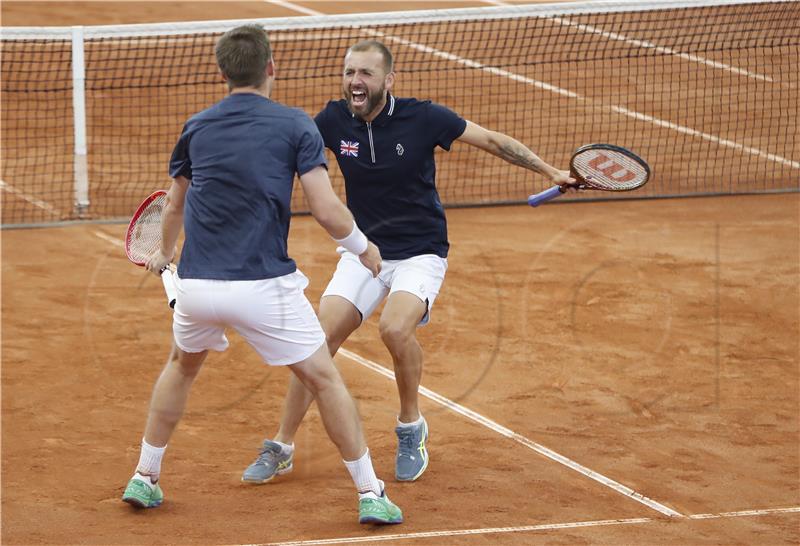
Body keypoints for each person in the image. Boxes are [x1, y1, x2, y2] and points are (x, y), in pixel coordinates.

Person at [241, 39, 576, 485]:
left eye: (365, 74)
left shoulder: (424, 117)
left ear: (388, 81)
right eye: (349, 72)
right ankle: (281, 445)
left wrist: (549, 171)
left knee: (395, 329)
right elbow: (284, 156)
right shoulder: (333, 121)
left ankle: (410, 426)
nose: (354, 81)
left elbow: (493, 141)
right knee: (315, 342)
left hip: (420, 252)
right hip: (365, 251)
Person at [121, 26, 403, 525]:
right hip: (263, 287)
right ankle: (370, 492)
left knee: (181, 367)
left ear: (223, 72)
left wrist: (166, 256)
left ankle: (144, 477)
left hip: (199, 288)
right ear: (270, 68)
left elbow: (173, 208)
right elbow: (325, 208)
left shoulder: (198, 126)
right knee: (324, 379)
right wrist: (364, 248)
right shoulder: (296, 126)